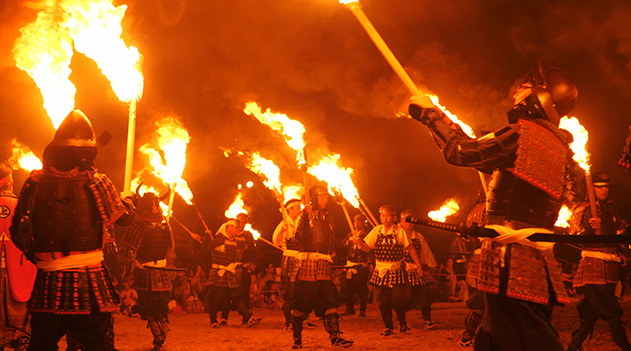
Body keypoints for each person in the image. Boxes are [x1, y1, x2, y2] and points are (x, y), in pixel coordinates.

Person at [409, 62, 579, 350]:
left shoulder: (522, 134)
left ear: (541, 98)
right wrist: (452, 128)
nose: (518, 91)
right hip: (534, 261)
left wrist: (431, 115)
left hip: (511, 260)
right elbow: (489, 157)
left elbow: (461, 151)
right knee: (493, 339)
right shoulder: (559, 147)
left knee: (527, 339)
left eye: (527, 87)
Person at [10, 109, 134, 351]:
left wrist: (40, 258)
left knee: (42, 345)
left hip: (49, 280)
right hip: (90, 281)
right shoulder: (97, 182)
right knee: (96, 345)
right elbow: (124, 220)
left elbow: (19, 233)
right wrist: (128, 202)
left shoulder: (34, 183)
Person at [566, 173, 630, 351]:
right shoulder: (582, 210)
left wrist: (623, 252)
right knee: (612, 311)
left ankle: (573, 347)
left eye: (606, 186)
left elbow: (618, 236)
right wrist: (588, 229)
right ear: (590, 189)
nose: (604, 190)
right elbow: (575, 236)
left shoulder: (612, 209)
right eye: (599, 186)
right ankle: (625, 345)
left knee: (588, 315)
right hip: (593, 265)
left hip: (611, 265)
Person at [290, 185, 353, 349]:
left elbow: (331, 241)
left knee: (329, 302)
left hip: (324, 265)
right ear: (314, 199)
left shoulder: (328, 219)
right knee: (301, 304)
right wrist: (306, 215)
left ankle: (335, 337)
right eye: (321, 196)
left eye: (326, 196)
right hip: (308, 265)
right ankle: (297, 339)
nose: (325, 199)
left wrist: (343, 246)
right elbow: (300, 237)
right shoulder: (304, 217)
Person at [353, 205, 425, 336]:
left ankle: (402, 322)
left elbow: (411, 249)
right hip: (380, 270)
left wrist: (419, 265)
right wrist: (358, 243)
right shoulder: (376, 230)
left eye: (387, 215)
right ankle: (388, 327)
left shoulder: (399, 231)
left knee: (398, 299)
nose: (384, 218)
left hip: (396, 269)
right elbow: (367, 248)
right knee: (382, 300)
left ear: (394, 217)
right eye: (382, 215)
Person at [119, 186, 174, 351]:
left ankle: (158, 337)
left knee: (148, 307)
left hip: (145, 274)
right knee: (160, 306)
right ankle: (162, 334)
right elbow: (171, 251)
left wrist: (128, 275)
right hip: (163, 273)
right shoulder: (166, 226)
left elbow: (130, 253)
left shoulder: (139, 226)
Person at [0, 164, 36, 351]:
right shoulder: (21, 206)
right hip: (19, 264)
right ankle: (20, 336)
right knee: (19, 303)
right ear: (9, 183)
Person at [206, 219, 259, 328]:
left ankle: (247, 318)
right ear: (228, 227)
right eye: (235, 227)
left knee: (237, 295)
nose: (237, 229)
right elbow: (207, 248)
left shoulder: (235, 241)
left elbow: (244, 250)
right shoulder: (219, 238)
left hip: (230, 272)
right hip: (219, 273)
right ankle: (213, 320)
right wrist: (208, 239)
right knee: (218, 297)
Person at [399, 209, 438, 328]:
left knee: (424, 295)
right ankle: (402, 323)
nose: (409, 222)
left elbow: (425, 253)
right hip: (400, 271)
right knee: (400, 298)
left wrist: (430, 268)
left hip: (416, 270)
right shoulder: (395, 235)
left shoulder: (418, 237)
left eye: (412, 220)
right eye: (407, 219)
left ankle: (427, 321)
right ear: (401, 221)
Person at [273, 198, 302, 330]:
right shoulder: (284, 224)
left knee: (300, 292)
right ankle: (288, 322)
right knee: (290, 292)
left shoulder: (300, 223)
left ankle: (299, 318)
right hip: (289, 260)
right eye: (297, 207)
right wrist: (282, 231)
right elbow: (276, 242)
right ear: (289, 209)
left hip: (301, 259)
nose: (300, 209)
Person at [341, 214, 372, 317]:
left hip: (361, 265)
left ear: (363, 223)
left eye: (359, 221)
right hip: (350, 265)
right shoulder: (350, 234)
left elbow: (369, 249)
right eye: (355, 221)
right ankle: (350, 309)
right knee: (347, 287)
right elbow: (342, 245)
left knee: (361, 288)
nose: (356, 223)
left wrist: (370, 263)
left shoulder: (367, 235)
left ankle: (362, 309)